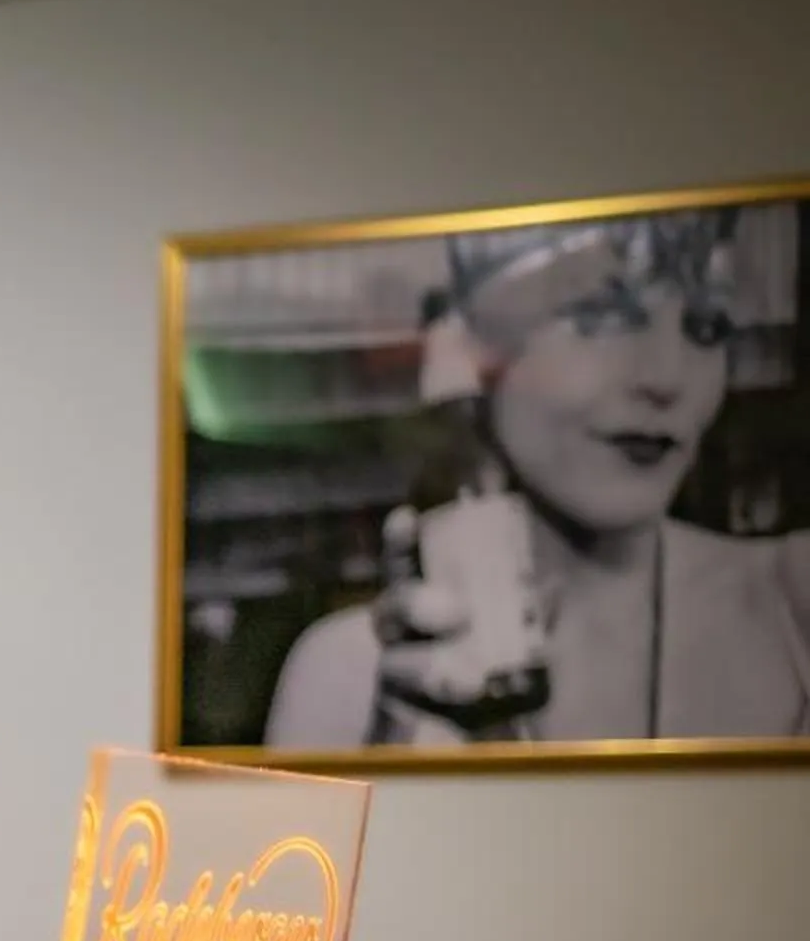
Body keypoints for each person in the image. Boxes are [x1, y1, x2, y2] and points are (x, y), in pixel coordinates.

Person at [264, 207, 810, 748]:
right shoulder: (350, 675)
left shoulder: (794, 603)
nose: (666, 376)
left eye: (708, 326)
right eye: (602, 314)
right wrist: (398, 754)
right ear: (470, 344)